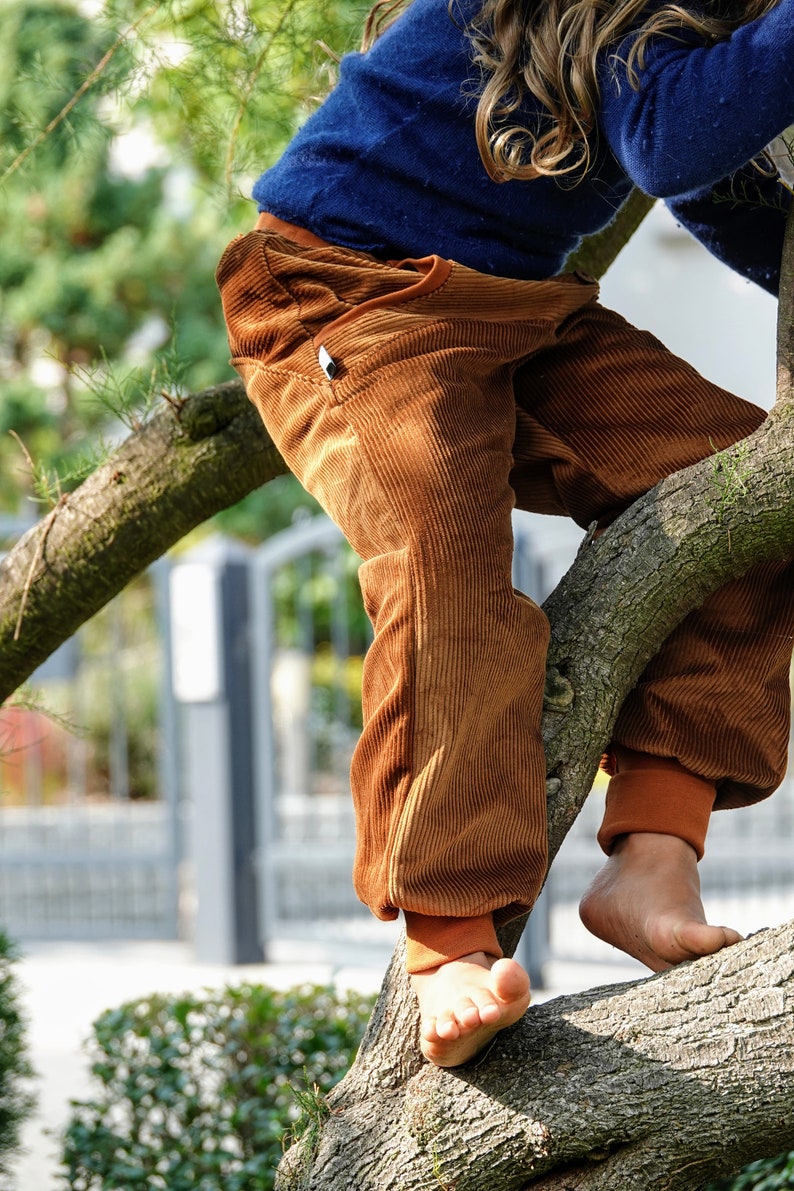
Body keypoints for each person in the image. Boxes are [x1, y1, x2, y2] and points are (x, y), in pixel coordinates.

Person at [217, 0, 794, 1067]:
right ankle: (444, 938)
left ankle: (653, 853)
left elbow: (701, 178)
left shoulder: (690, 28)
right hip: (344, 302)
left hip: (515, 312)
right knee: (441, 567)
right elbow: (671, 131)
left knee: (738, 491)